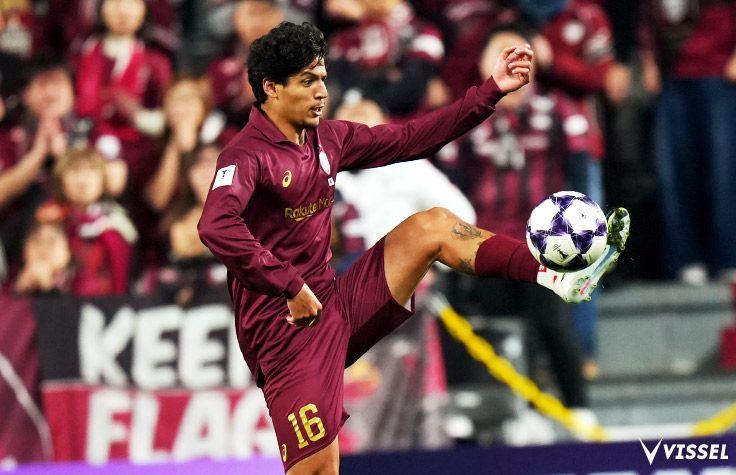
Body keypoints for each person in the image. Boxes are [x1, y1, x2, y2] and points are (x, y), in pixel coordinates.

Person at [197, 21, 629, 474]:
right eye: (307, 81)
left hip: (335, 304)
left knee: (433, 226)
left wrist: (490, 92)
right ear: (271, 88)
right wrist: (288, 285)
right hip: (284, 335)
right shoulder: (245, 156)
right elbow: (215, 225)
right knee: (320, 469)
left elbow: (413, 138)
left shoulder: (328, 139)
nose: (322, 91)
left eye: (322, 78)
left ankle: (554, 273)